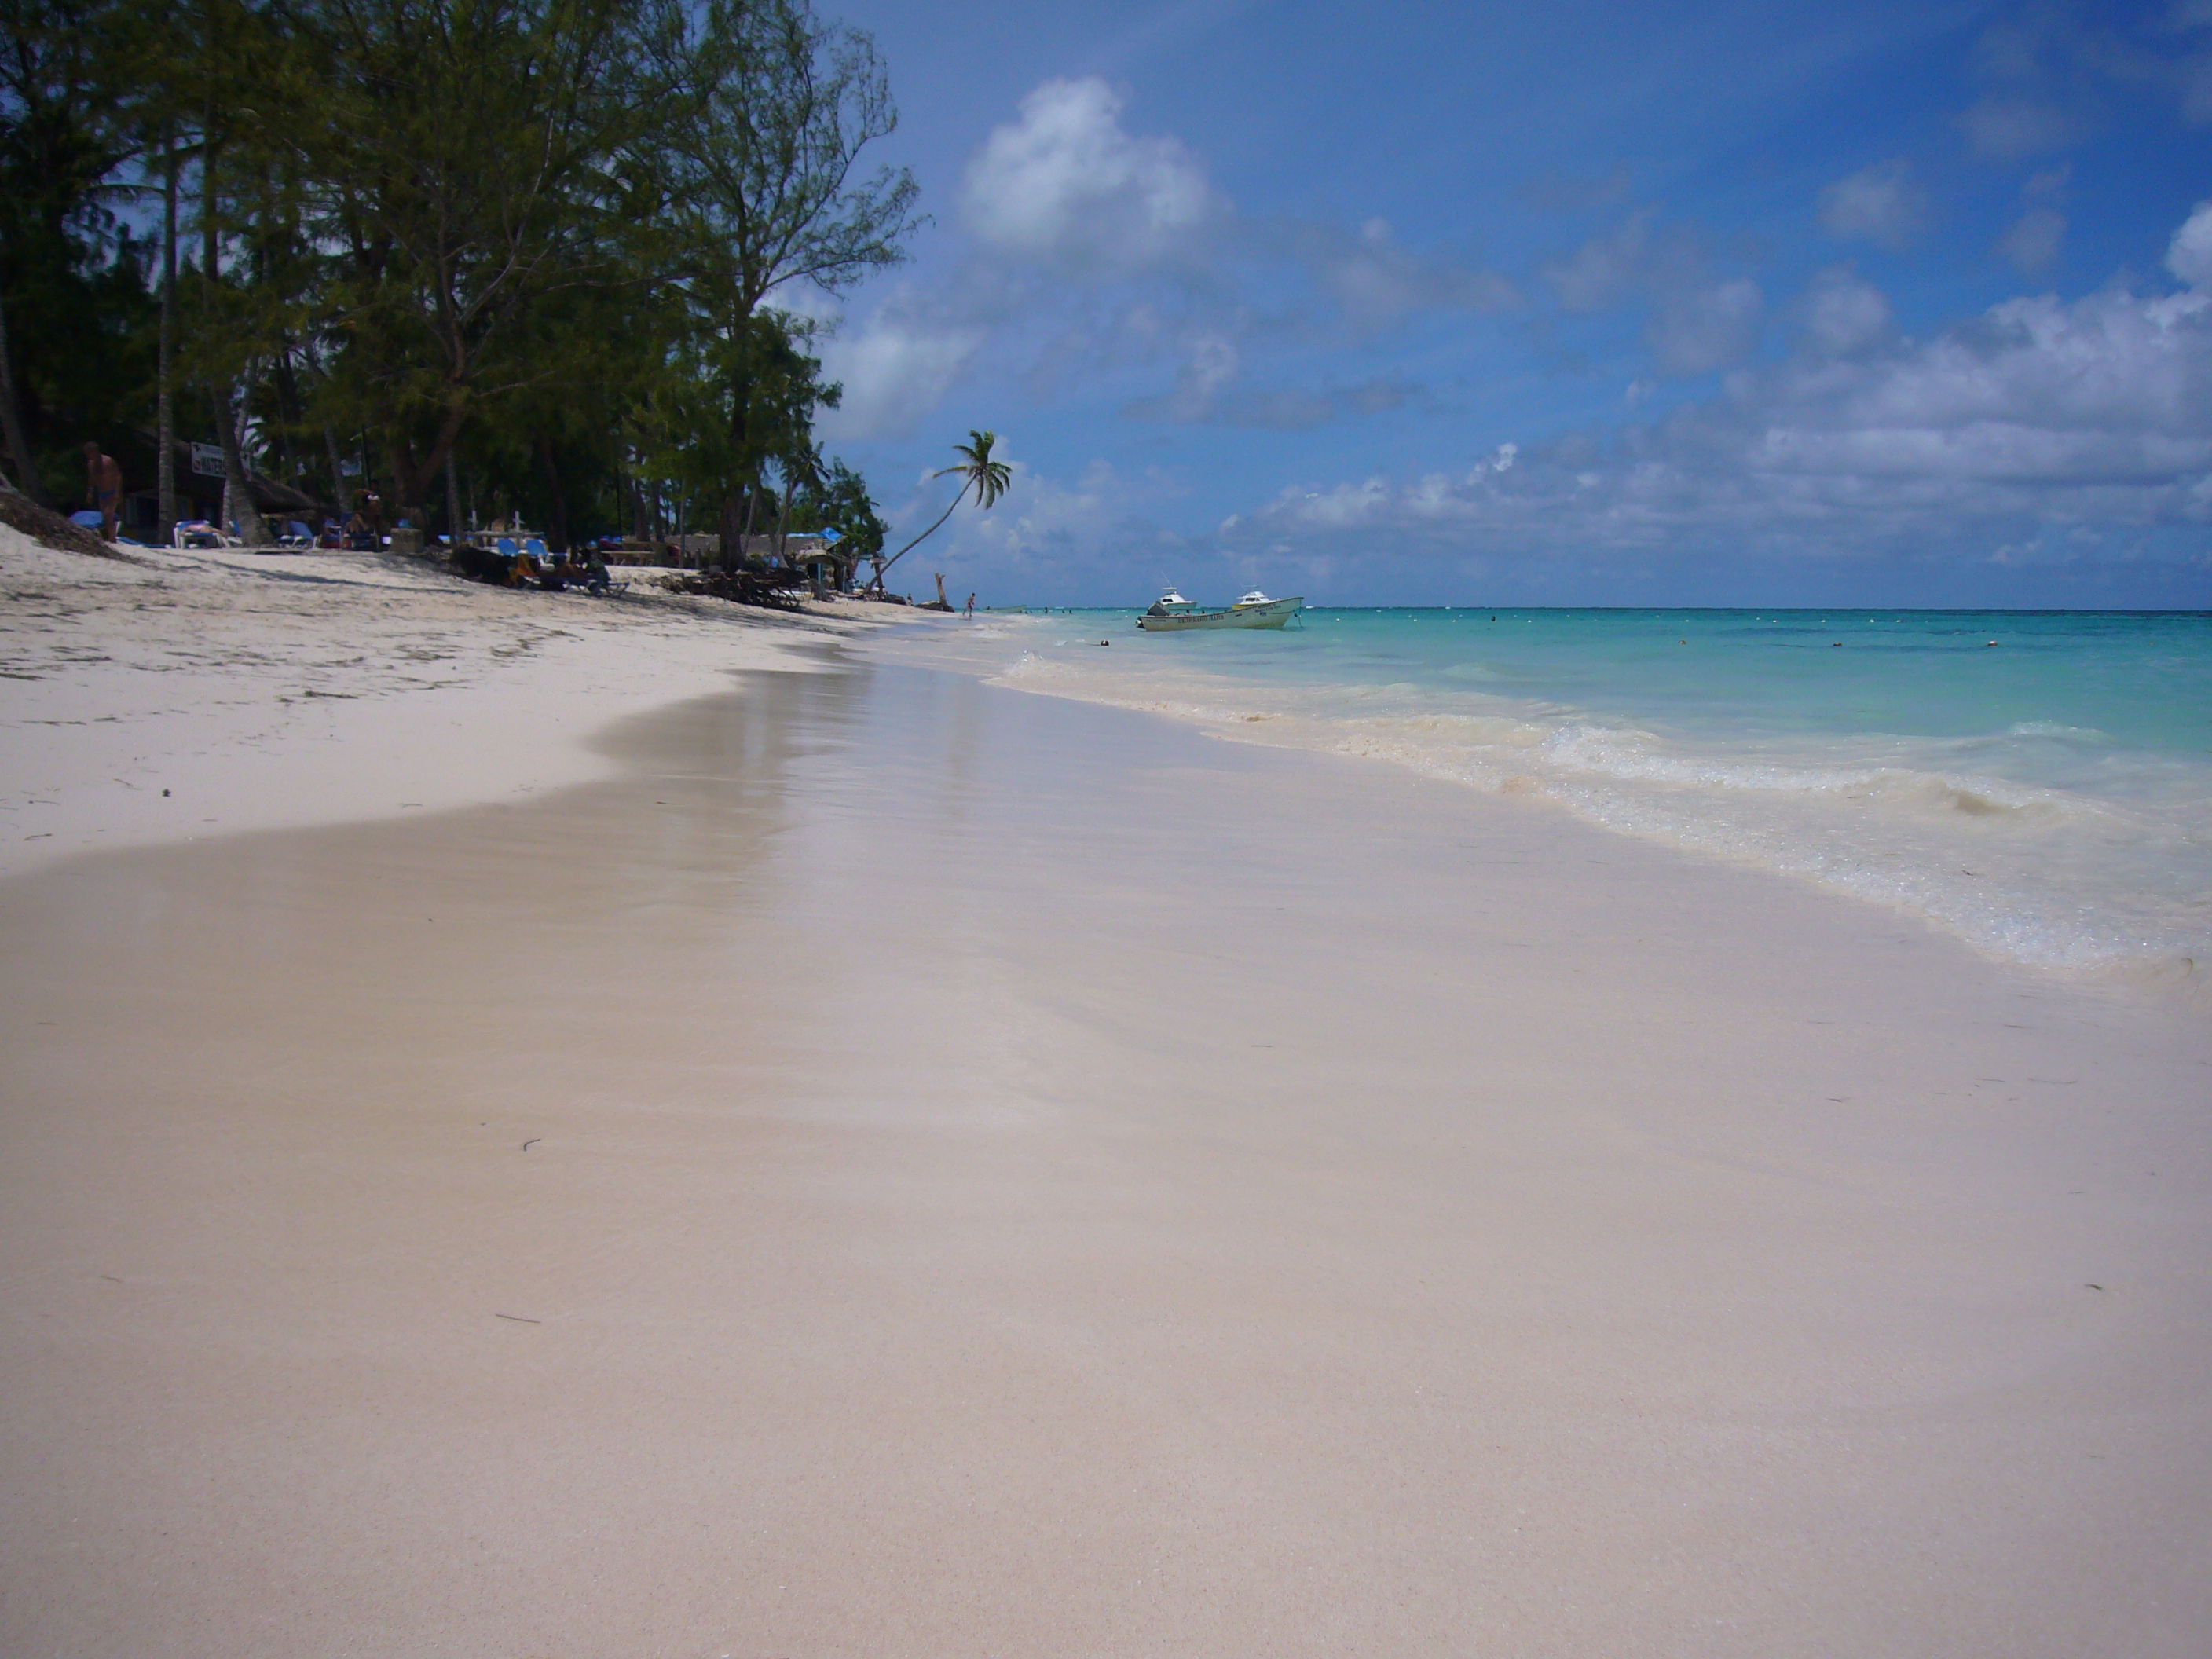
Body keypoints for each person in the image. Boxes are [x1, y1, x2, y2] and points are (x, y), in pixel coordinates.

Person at [82, 443, 122, 541]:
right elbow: (92, 478)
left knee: (108, 514)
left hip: (112, 491)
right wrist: (90, 492)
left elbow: (118, 476)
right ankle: (110, 536)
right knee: (105, 516)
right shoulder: (91, 464)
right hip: (102, 492)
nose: (89, 456)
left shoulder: (108, 461)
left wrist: (118, 492)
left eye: (90, 453)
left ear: (95, 451)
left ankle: (112, 538)